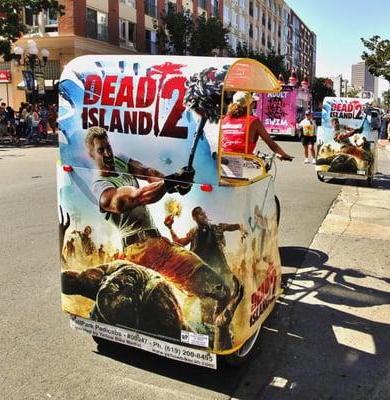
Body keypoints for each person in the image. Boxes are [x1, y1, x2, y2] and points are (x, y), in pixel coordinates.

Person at [85, 126, 238, 327]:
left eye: (108, 147)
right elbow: (134, 198)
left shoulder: (120, 161)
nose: (107, 154)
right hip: (139, 251)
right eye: (100, 150)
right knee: (168, 308)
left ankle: (215, 329)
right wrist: (168, 183)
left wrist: (176, 182)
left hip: (158, 244)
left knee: (220, 289)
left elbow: (148, 172)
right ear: (91, 154)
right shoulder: (101, 187)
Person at [221, 91, 292, 161]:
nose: (254, 105)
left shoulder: (224, 120)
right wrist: (284, 155)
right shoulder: (253, 121)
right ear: (250, 105)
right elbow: (271, 143)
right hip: (243, 162)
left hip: (223, 161)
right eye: (253, 103)